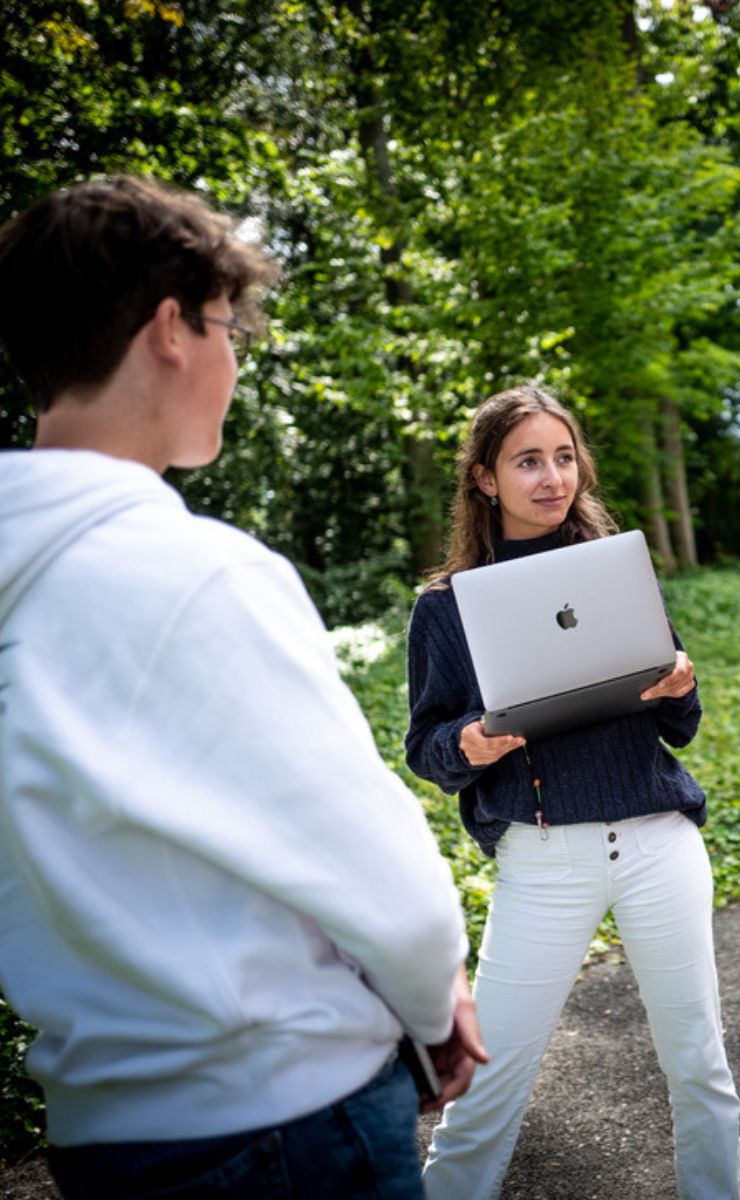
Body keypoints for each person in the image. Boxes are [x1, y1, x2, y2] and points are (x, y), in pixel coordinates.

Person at [0, 175, 487, 1200]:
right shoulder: (198, 572)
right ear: (171, 329)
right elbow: (374, 869)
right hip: (282, 1119)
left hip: (100, 1137)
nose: (233, 361)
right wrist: (437, 1003)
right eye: (229, 328)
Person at [405, 384, 740, 1199]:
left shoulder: (618, 572)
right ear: (485, 479)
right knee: (483, 1094)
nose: (552, 476)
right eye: (528, 460)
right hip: (543, 858)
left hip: (658, 842)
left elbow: (680, 721)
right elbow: (427, 746)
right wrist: (470, 743)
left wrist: (681, 687)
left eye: (564, 457)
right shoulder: (446, 609)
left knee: (700, 1067)